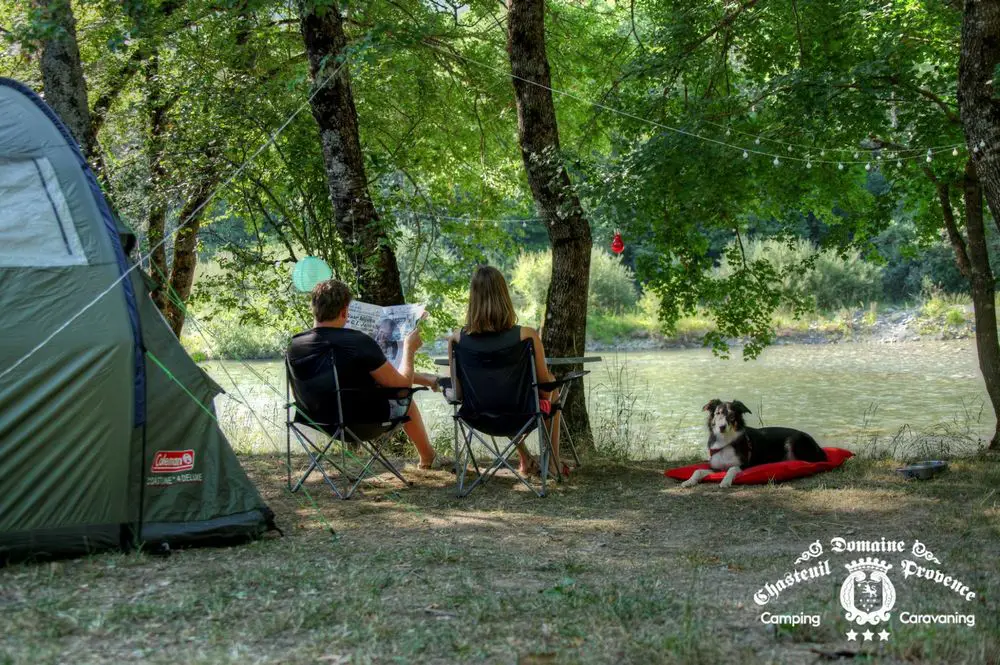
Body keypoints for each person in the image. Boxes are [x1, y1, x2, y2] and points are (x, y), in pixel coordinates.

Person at [287, 279, 446, 470]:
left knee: (373, 378)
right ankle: (428, 457)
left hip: (317, 421)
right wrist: (409, 349)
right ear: (344, 312)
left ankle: (427, 379)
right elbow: (402, 388)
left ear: (313, 308)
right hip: (360, 423)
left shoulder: (295, 345)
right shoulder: (357, 342)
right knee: (406, 400)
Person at [449, 265, 565, 477]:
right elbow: (544, 389)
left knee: (498, 393)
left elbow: (457, 394)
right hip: (522, 415)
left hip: (477, 417)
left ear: (473, 299)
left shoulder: (456, 339)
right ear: (504, 296)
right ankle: (553, 462)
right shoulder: (527, 336)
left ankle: (525, 458)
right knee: (548, 387)